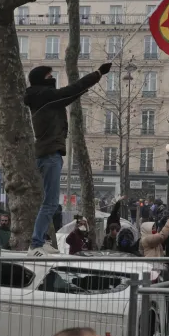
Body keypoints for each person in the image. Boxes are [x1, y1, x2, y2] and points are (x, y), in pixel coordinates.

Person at [25, 63, 110, 254]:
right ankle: (36, 243)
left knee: (50, 202)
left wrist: (89, 84)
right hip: (50, 154)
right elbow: (70, 90)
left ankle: (40, 240)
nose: (52, 78)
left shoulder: (41, 97)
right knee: (51, 203)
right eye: (49, 76)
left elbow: (70, 95)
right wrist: (97, 74)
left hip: (48, 153)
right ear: (41, 79)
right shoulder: (44, 96)